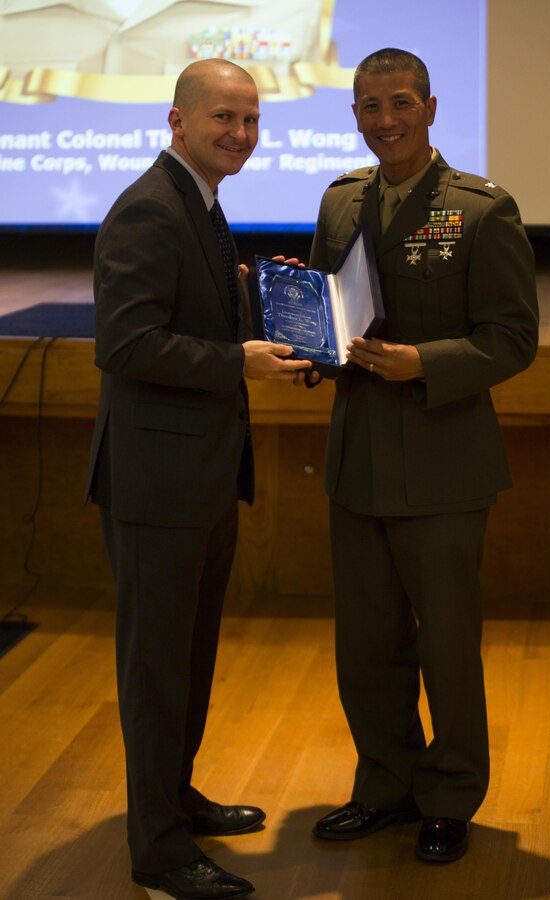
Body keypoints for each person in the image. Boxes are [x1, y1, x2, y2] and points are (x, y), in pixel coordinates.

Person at [304, 48, 539, 862]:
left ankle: (448, 797)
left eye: (400, 103)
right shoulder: (338, 203)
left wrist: (424, 364)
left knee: (445, 643)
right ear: (356, 116)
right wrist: (309, 341)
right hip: (358, 454)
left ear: (432, 108)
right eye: (369, 107)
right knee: (366, 644)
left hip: (443, 462)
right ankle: (385, 787)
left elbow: (512, 339)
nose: (385, 121)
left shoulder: (481, 209)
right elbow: (332, 313)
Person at [85, 58, 311, 899]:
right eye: (224, 118)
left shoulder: (201, 202)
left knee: (187, 658)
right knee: (156, 672)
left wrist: (256, 300)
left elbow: (185, 315)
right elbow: (127, 345)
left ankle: (172, 802)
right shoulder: (150, 209)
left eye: (251, 120)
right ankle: (158, 850)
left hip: (199, 478)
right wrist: (238, 359)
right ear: (177, 121)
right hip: (157, 486)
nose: (241, 135)